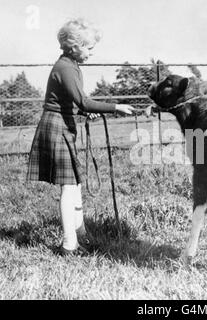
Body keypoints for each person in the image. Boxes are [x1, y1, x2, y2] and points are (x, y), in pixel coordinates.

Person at [27, 18, 135, 255]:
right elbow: (83, 100)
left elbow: (73, 102)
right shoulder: (66, 68)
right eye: (89, 48)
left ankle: (81, 234)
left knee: (74, 184)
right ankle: (69, 244)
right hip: (56, 126)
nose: (91, 53)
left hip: (63, 124)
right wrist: (114, 107)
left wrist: (84, 111)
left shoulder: (70, 66)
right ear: (74, 45)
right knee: (68, 186)